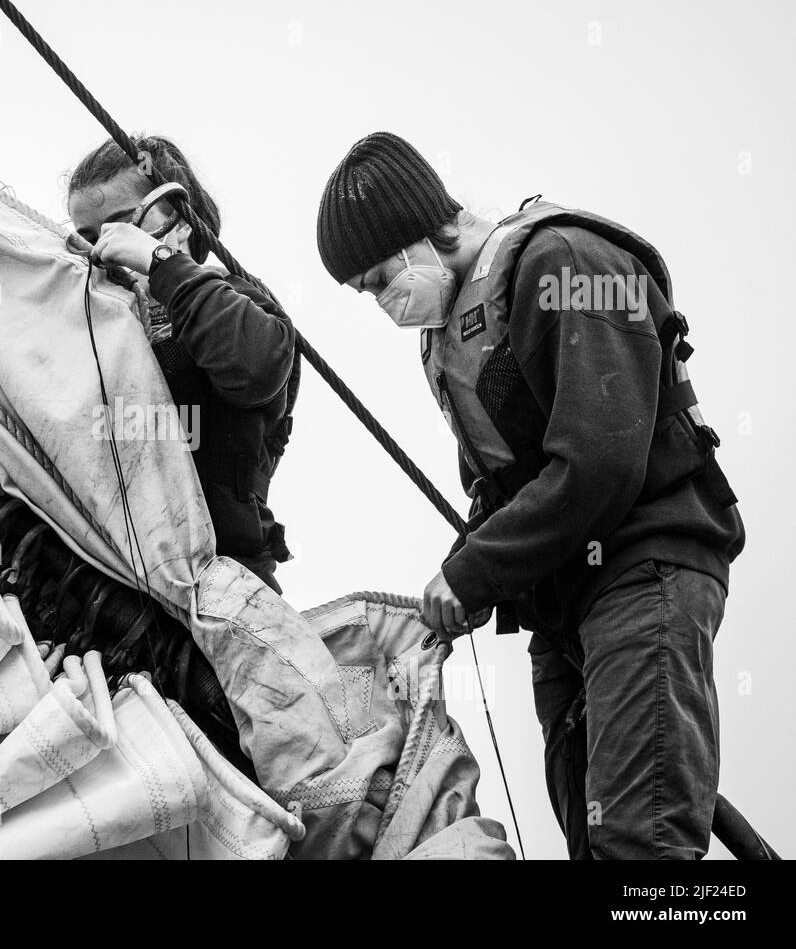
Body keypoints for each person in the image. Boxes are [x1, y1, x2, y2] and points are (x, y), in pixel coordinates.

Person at [315, 132, 745, 859]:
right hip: (562, 613)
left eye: (382, 274)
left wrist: (472, 574)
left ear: (429, 229)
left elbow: (598, 463)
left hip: (645, 573)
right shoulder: (451, 337)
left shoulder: (564, 264)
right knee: (594, 838)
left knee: (639, 848)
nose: (383, 300)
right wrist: (459, 575)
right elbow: (499, 497)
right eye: (366, 291)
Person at [67, 135, 297, 592]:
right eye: (90, 237)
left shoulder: (240, 303)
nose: (105, 249)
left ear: (179, 221)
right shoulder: (92, 323)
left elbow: (253, 366)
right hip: (105, 576)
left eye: (120, 226)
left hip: (222, 579)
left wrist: (160, 265)